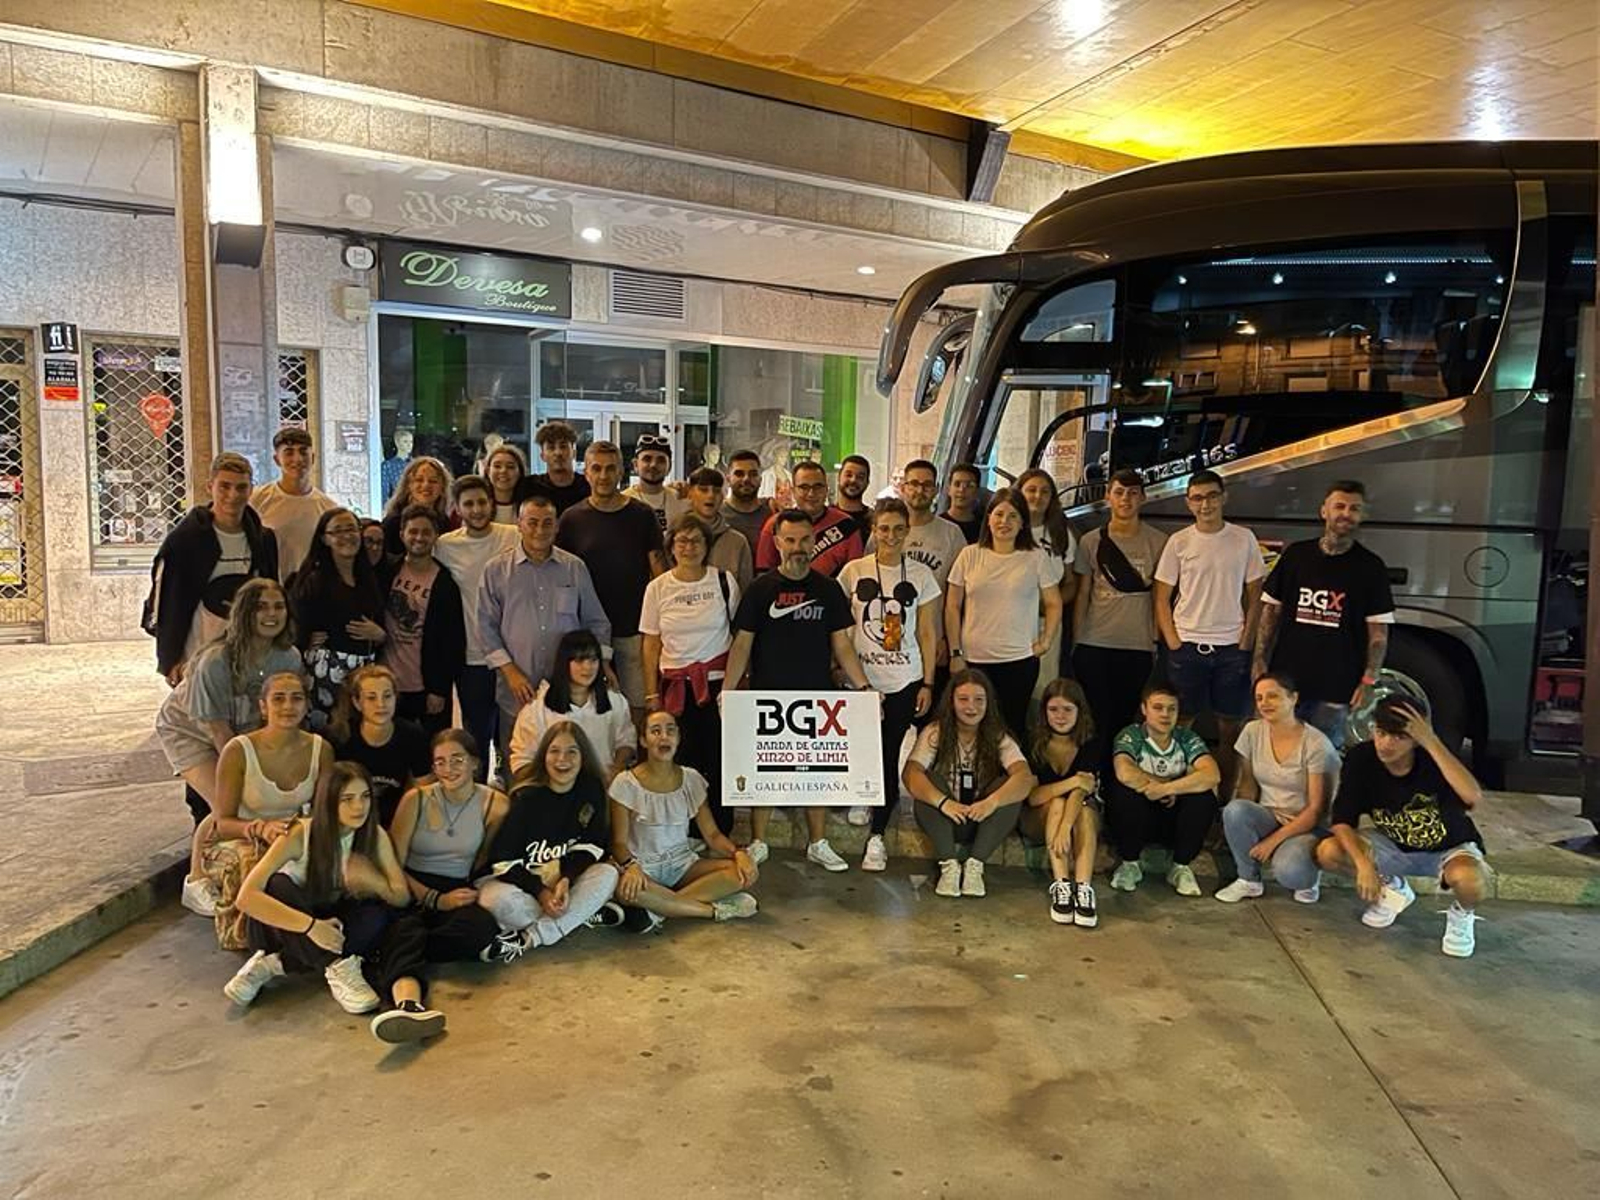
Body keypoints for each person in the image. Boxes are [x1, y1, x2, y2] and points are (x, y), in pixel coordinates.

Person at [225, 761, 446, 1045]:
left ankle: (273, 966)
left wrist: (373, 881)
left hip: (333, 926)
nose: (359, 807)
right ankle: (335, 965)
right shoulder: (300, 835)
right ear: (328, 802)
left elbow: (401, 897)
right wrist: (309, 926)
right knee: (277, 885)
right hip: (283, 928)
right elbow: (247, 897)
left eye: (365, 797)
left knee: (377, 915)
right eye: (348, 799)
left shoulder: (373, 834)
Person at [724, 508, 871, 871]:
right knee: (765, 771)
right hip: (768, 696)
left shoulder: (828, 589)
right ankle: (759, 841)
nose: (798, 546)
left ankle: (817, 842)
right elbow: (741, 645)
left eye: (805, 539)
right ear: (776, 543)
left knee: (815, 772)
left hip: (817, 697)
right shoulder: (760, 590)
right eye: (790, 540)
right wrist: (728, 692)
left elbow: (842, 645)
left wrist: (864, 687)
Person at [157, 578, 303, 914]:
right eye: (261, 607)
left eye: (278, 606)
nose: (271, 614)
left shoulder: (289, 657)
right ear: (244, 614)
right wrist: (248, 773)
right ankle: (195, 881)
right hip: (191, 731)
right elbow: (217, 729)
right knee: (227, 801)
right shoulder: (216, 662)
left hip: (243, 730)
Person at [1314, 696, 1490, 957]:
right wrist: (1363, 865)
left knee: (1469, 881)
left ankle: (1462, 915)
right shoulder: (1361, 758)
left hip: (1447, 847)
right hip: (1394, 846)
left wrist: (1431, 741)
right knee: (1328, 851)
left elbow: (1472, 796)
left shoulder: (1434, 759)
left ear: (1415, 740)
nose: (1386, 744)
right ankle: (1393, 888)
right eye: (1381, 733)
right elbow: (1342, 819)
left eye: (1399, 737)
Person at [197, 670, 335, 950]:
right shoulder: (238, 750)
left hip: (292, 835)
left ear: (306, 705)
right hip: (242, 837)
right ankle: (254, 938)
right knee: (255, 861)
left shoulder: (321, 749)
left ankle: (300, 935)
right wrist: (259, 828)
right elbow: (221, 822)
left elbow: (323, 810)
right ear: (263, 706)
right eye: (279, 699)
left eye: (296, 698)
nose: (288, 706)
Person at [1253, 480, 1395, 750]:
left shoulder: (1371, 567)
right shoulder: (1296, 556)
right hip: (1287, 682)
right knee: (1277, 751)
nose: (1346, 513)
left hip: (1337, 688)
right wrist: (1259, 660)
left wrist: (1369, 680)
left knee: (1324, 758)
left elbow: (1378, 634)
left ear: (1362, 516)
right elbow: (1271, 610)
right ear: (1323, 511)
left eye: (1354, 508)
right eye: (1339, 506)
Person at [837, 498, 939, 870]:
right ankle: (862, 794)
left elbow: (928, 631)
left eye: (898, 528)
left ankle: (877, 836)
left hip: (904, 678)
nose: (891, 536)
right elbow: (842, 630)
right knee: (861, 745)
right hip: (861, 677)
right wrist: (842, 669)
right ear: (873, 530)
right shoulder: (852, 571)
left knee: (889, 750)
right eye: (884, 528)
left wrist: (928, 681)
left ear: (907, 531)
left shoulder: (921, 576)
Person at [1153, 470, 1266, 798]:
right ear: (1189, 503)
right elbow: (1162, 595)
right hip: (1187, 648)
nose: (1206, 504)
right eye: (1198, 498)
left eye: (1212, 496)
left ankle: (1222, 803)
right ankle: (1176, 795)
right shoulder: (1180, 542)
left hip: (1232, 650)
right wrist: (1172, 640)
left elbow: (1256, 592)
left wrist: (1247, 641)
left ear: (1224, 497)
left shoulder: (1244, 538)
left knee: (1230, 731)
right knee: (1178, 726)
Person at [480, 494, 612, 762]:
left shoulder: (574, 568)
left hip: (568, 688)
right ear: (519, 524)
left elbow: (596, 622)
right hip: (518, 688)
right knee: (517, 761)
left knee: (566, 758)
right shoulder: (496, 571)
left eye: (547, 523)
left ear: (557, 527)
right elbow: (485, 627)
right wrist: (510, 672)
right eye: (532, 522)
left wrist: (603, 664)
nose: (540, 530)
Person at [476, 721, 625, 956]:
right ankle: (580, 916)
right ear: (543, 756)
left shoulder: (591, 789)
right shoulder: (526, 797)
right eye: (554, 751)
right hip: (522, 885)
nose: (561, 759)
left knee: (608, 874)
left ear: (583, 757)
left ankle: (529, 938)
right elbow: (502, 862)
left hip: (564, 885)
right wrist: (541, 892)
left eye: (571, 752)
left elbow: (593, 845)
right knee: (497, 902)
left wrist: (566, 879)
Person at [610, 709, 760, 928]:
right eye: (655, 731)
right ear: (643, 740)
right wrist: (631, 866)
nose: (664, 737)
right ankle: (712, 910)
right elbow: (619, 843)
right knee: (625, 890)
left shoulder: (691, 779)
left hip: (681, 864)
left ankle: (660, 910)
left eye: (671, 731)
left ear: (678, 738)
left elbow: (713, 835)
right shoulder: (625, 783)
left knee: (743, 874)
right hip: (642, 867)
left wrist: (740, 854)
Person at [640, 513, 740, 834]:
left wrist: (735, 685)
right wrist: (651, 693)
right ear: (671, 547)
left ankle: (720, 830)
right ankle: (681, 832)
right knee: (679, 762)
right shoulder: (657, 588)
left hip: (717, 688)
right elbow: (651, 645)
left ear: (707, 546)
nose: (689, 547)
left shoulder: (723, 582)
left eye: (697, 540)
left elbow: (740, 637)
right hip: (674, 690)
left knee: (719, 761)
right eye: (681, 540)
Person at [144, 451, 279, 687]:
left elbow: (271, 593)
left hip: (248, 650)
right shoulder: (184, 540)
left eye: (241, 487)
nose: (232, 495)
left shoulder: (263, 539)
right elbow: (167, 600)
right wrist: (170, 659)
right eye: (224, 487)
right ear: (210, 487)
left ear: (251, 489)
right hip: (198, 649)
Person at [902, 670, 1036, 899]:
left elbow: (1025, 778)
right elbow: (910, 774)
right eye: (963, 699)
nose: (971, 707)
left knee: (1009, 786)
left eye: (979, 700)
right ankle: (949, 867)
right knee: (928, 782)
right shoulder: (936, 731)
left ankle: (975, 866)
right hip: (946, 818)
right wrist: (944, 803)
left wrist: (991, 803)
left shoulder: (998, 736)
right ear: (951, 701)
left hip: (982, 821)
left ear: (988, 703)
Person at [389, 729, 519, 964]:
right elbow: (392, 864)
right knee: (395, 920)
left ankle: (405, 949)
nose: (448, 769)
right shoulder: (414, 799)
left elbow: (483, 860)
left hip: (455, 885)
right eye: (441, 762)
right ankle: (404, 944)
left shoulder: (495, 805)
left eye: (457, 760)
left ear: (475, 764)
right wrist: (434, 899)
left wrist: (453, 897)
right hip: (410, 885)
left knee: (482, 929)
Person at [945, 488, 1063, 742]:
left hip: (1018, 659)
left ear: (1023, 523)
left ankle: (1011, 781)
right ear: (988, 518)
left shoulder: (1036, 557)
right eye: (998, 514)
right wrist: (955, 653)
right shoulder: (969, 555)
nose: (1004, 522)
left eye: (1012, 516)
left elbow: (1054, 603)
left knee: (1012, 729)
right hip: (973, 660)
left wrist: (1046, 641)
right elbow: (952, 606)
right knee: (970, 729)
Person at [556, 440, 666, 711]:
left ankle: (638, 755)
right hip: (586, 631)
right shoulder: (571, 519)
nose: (603, 476)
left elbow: (660, 572)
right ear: (586, 473)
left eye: (610, 469)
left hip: (634, 629)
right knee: (590, 708)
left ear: (621, 472)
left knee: (639, 705)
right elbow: (560, 575)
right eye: (597, 468)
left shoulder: (642, 515)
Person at [1215, 672, 1339, 904]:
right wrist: (1237, 828)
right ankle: (1248, 880)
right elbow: (1247, 787)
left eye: (1273, 696)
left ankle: (1309, 874)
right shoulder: (1252, 731)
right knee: (1235, 810)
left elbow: (1316, 810)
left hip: (1306, 824)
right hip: (1271, 815)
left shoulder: (1315, 743)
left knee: (1290, 873)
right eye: (1259, 698)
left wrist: (1271, 842)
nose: (1264, 703)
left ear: (1293, 698)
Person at [435, 475, 520, 778]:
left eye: (482, 502)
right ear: (457, 508)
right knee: (477, 734)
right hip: (472, 656)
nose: (477, 510)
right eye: (468, 504)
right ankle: (479, 796)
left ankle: (514, 796)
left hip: (513, 655)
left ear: (492, 503)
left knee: (516, 735)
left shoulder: (513, 535)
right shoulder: (445, 546)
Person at [1072, 468, 1167, 737]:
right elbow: (1082, 594)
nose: (1126, 499)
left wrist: (1156, 642)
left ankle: (1121, 774)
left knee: (1126, 719)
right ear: (1108, 497)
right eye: (1119, 492)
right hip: (1094, 642)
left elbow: (1161, 598)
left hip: (1137, 645)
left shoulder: (1160, 542)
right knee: (1094, 718)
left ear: (1143, 498)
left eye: (1133, 493)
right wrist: (1076, 641)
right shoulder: (1090, 542)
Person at [1106, 680, 1222, 897]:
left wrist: (1171, 789)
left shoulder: (1186, 737)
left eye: (1172, 709)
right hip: (1139, 818)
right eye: (1158, 708)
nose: (1165, 715)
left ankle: (1181, 867)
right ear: (1144, 709)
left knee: (1203, 797)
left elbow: (1211, 774)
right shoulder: (1132, 734)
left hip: (1174, 820)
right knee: (1122, 792)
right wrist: (1162, 787)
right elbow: (1124, 770)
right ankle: (1130, 864)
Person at [288, 507, 387, 730]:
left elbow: (380, 623)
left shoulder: (367, 577)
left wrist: (380, 635)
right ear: (324, 539)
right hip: (327, 675)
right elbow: (296, 625)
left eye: (351, 529)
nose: (346, 536)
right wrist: (304, 639)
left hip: (364, 671)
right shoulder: (314, 580)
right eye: (337, 531)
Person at [378, 505, 465, 737]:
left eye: (426, 532)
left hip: (425, 687)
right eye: (413, 531)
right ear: (402, 534)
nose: (419, 538)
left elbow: (452, 642)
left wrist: (439, 689)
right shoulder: (386, 571)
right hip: (386, 684)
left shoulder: (446, 583)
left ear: (436, 536)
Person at [509, 629, 637, 781]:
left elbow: (626, 741)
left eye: (593, 660)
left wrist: (615, 770)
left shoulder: (615, 700)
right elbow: (522, 760)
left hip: (603, 787)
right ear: (564, 663)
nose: (587, 667)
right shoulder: (537, 708)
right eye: (579, 660)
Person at [1023, 679, 1101, 926]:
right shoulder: (1033, 742)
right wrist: (1073, 781)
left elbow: (1084, 791)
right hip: (1038, 817)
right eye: (1054, 709)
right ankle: (1061, 884)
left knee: (1085, 811)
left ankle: (1083, 888)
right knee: (1056, 802)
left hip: (1076, 818)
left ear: (1080, 712)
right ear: (1044, 712)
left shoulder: (1090, 741)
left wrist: (1066, 828)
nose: (1060, 716)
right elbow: (1034, 796)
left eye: (1068, 709)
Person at [329, 663, 432, 827]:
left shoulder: (413, 736)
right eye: (371, 697)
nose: (381, 704)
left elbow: (424, 791)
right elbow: (331, 796)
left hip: (399, 820)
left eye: (387, 696)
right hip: (350, 820)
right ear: (357, 703)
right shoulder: (341, 738)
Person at [250, 426, 337, 583]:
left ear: (313, 457)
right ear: (277, 459)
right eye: (289, 452)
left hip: (310, 593)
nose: (297, 459)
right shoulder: (257, 499)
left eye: (303, 452)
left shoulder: (328, 508)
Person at [754, 460, 863, 579]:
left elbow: (856, 575)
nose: (811, 494)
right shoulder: (775, 525)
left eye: (818, 486)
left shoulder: (846, 525)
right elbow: (763, 576)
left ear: (826, 489)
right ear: (793, 490)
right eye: (804, 487)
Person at [898, 459, 967, 589]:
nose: (920, 490)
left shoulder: (952, 534)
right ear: (903, 488)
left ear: (936, 490)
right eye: (914, 484)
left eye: (927, 485)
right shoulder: (886, 531)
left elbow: (961, 584)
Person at [683, 466, 754, 588]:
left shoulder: (737, 542)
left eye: (716, 490)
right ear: (690, 493)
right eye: (703, 490)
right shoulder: (676, 537)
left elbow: (745, 590)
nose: (711, 496)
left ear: (723, 495)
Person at [381, 455, 454, 556]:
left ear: (442, 488)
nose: (426, 485)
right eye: (419, 480)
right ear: (408, 485)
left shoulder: (445, 524)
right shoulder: (393, 523)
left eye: (433, 481)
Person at [624, 431, 689, 533]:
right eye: (647, 459)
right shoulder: (623, 502)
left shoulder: (681, 499)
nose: (654, 465)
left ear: (669, 467)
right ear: (635, 465)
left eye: (661, 460)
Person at [525, 420, 591, 516]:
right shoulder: (529, 486)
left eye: (563, 446)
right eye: (551, 448)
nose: (558, 453)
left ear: (574, 453)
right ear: (542, 456)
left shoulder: (589, 486)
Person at [721, 448, 769, 558]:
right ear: (728, 479)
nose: (746, 479)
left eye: (753, 474)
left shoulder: (772, 516)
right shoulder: (716, 516)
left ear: (760, 480)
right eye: (739, 474)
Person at [483, 443, 531, 525]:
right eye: (497, 466)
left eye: (510, 467)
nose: (503, 471)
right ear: (488, 471)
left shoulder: (529, 507)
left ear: (520, 472)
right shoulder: (476, 505)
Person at [943, 462, 983, 544]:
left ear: (977, 492)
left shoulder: (984, 529)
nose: (961, 490)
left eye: (969, 485)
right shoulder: (938, 525)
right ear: (948, 489)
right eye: (957, 484)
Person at [835, 454, 873, 540]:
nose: (853, 480)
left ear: (867, 483)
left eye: (860, 477)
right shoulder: (826, 517)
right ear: (839, 477)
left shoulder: (873, 520)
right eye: (848, 475)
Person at [381, 426, 414, 502]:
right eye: (405, 441)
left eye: (411, 442)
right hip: (398, 505)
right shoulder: (388, 466)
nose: (409, 445)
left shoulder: (416, 464)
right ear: (397, 443)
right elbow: (384, 492)